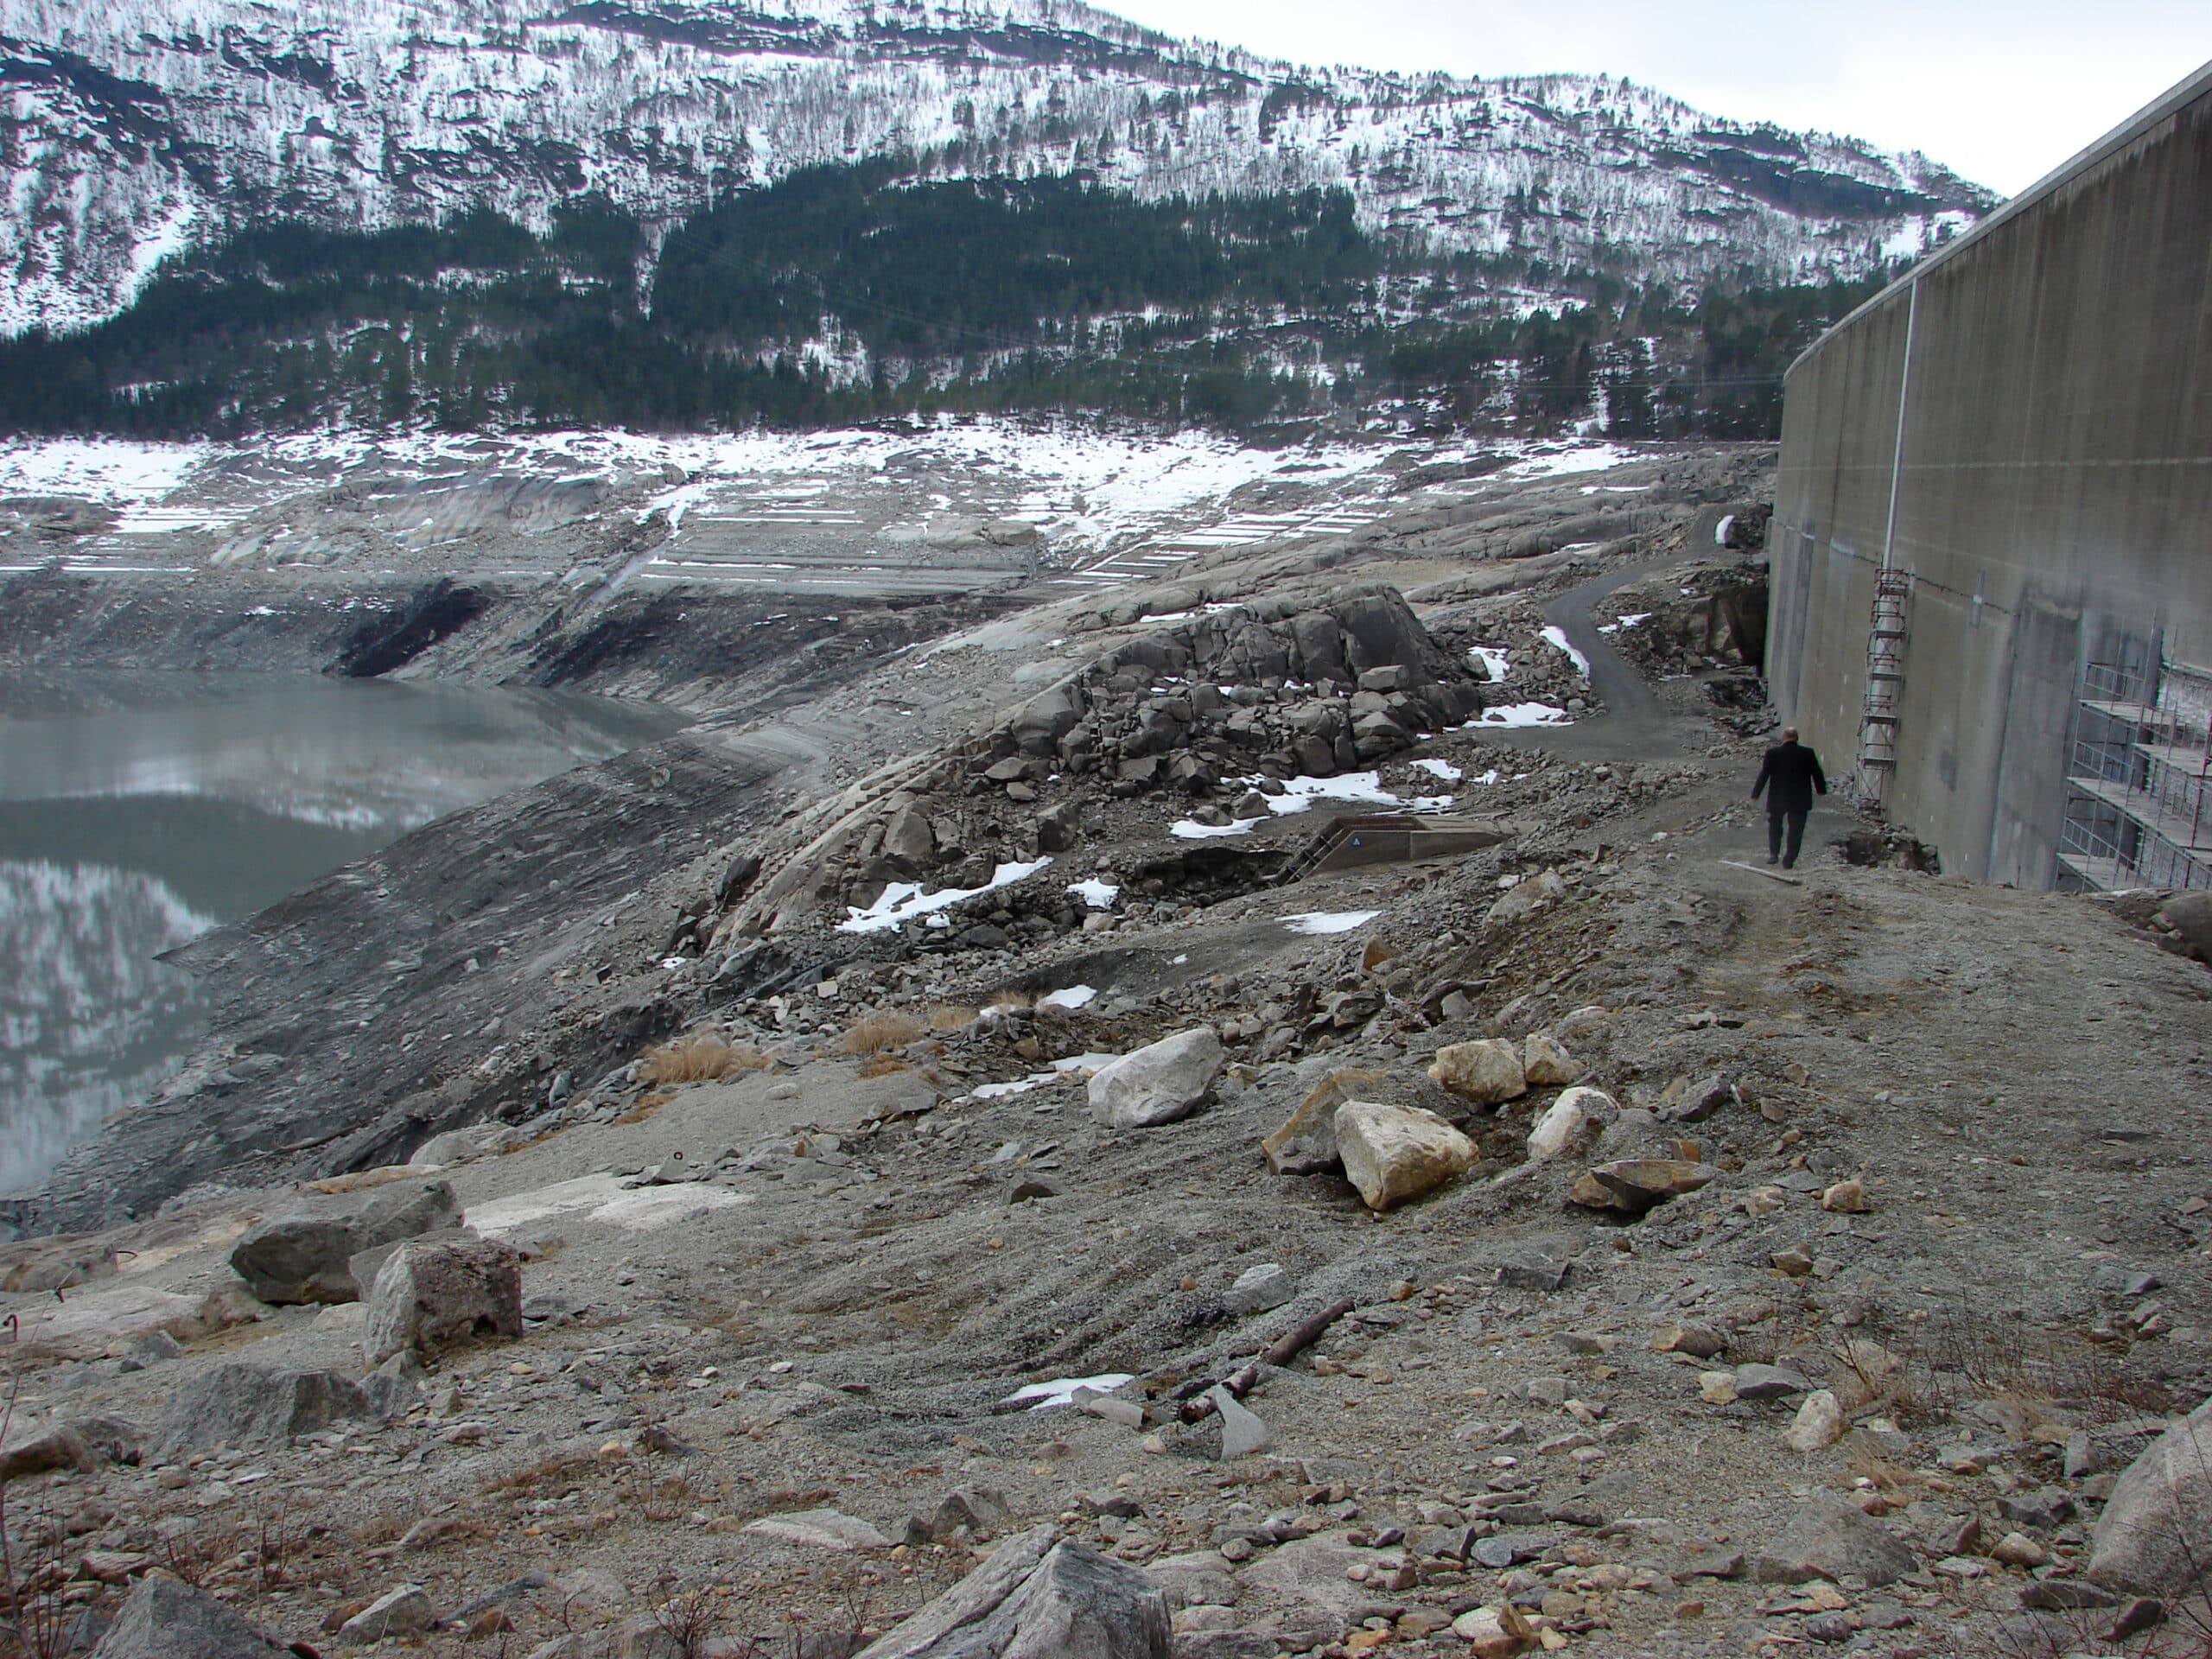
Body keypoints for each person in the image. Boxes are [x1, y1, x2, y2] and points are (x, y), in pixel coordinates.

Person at [1751, 726, 1827, 868]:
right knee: (1796, 830)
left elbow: (1764, 774)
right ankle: (1789, 860)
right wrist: (1821, 790)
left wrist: (1756, 794)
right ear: (1797, 738)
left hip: (1778, 797)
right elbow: (1817, 773)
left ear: (1783, 737)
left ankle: (1774, 854)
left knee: (1775, 826)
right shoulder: (1807, 753)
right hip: (1800, 799)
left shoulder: (1773, 753)